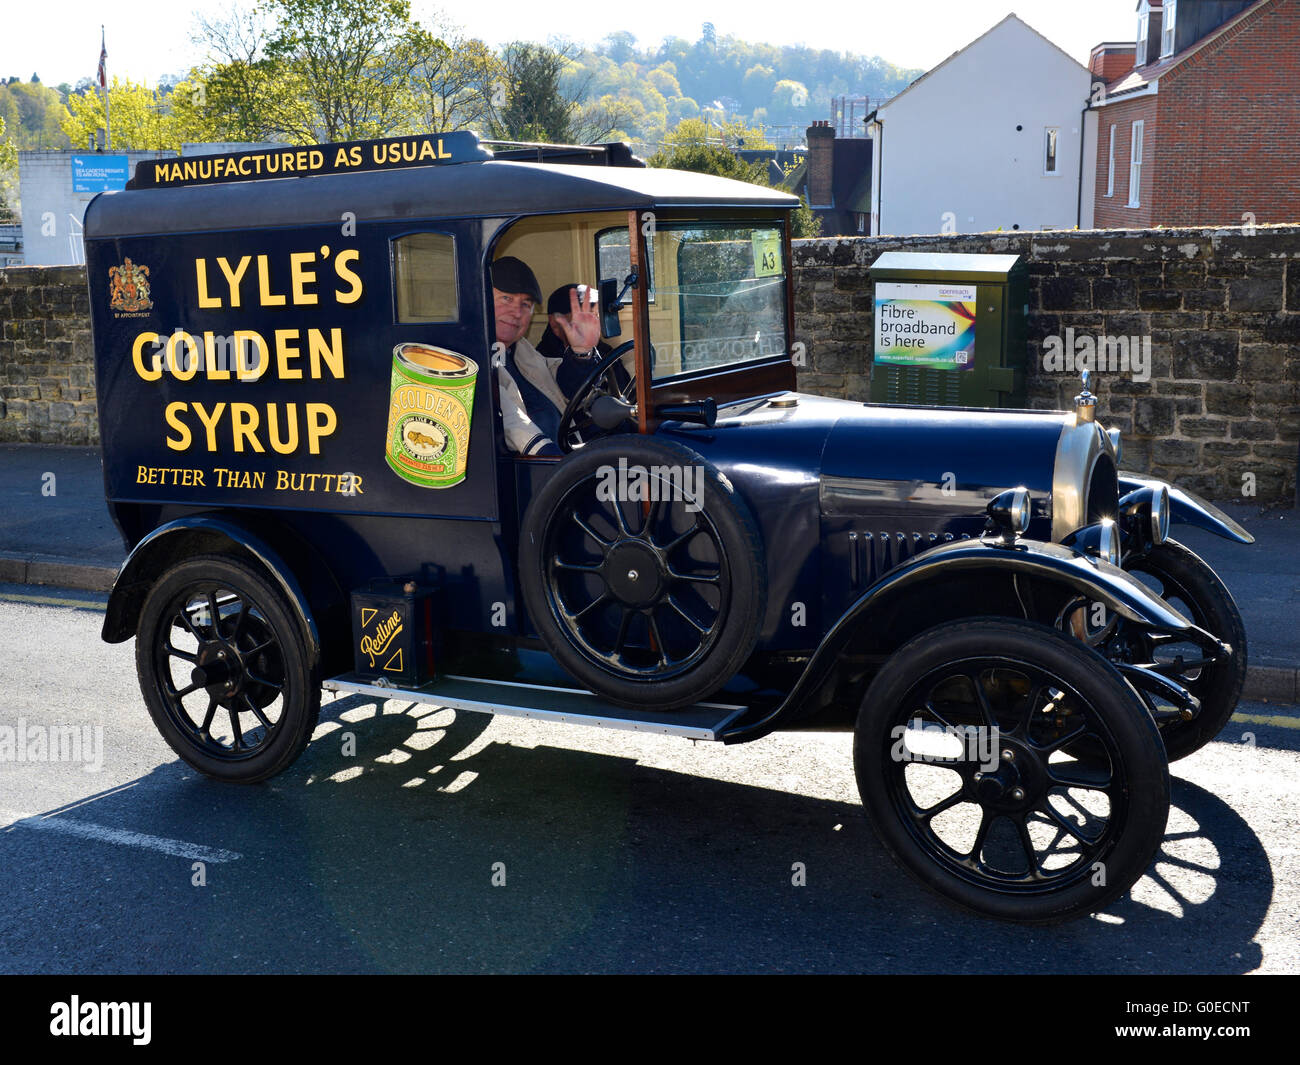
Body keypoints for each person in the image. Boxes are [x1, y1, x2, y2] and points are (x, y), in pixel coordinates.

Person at [492, 258, 602, 457]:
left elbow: (561, 383)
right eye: (506, 299)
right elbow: (511, 420)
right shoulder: (470, 355)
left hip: (567, 454)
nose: (517, 312)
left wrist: (581, 352)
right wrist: (558, 463)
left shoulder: (520, 349)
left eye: (525, 304)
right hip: (534, 473)